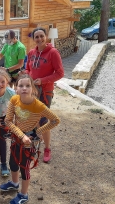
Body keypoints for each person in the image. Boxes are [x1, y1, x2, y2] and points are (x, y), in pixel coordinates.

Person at [0, 74, 60, 204]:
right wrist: (21, 135)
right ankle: (15, 183)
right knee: (13, 162)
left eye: (28, 85)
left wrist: (38, 131)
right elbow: (8, 121)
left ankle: (24, 195)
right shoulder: (14, 100)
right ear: (16, 88)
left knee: (24, 167)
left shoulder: (38, 105)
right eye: (21, 85)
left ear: (33, 88)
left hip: (30, 141)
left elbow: (55, 120)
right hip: (17, 137)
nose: (24, 88)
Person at [23, 27, 64, 163]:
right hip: (32, 90)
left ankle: (47, 148)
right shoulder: (31, 52)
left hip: (45, 91)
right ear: (33, 39)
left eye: (41, 36)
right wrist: (27, 75)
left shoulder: (53, 53)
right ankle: (34, 144)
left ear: (45, 37)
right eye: (36, 37)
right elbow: (28, 68)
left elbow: (60, 73)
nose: (39, 39)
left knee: (44, 119)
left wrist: (43, 80)